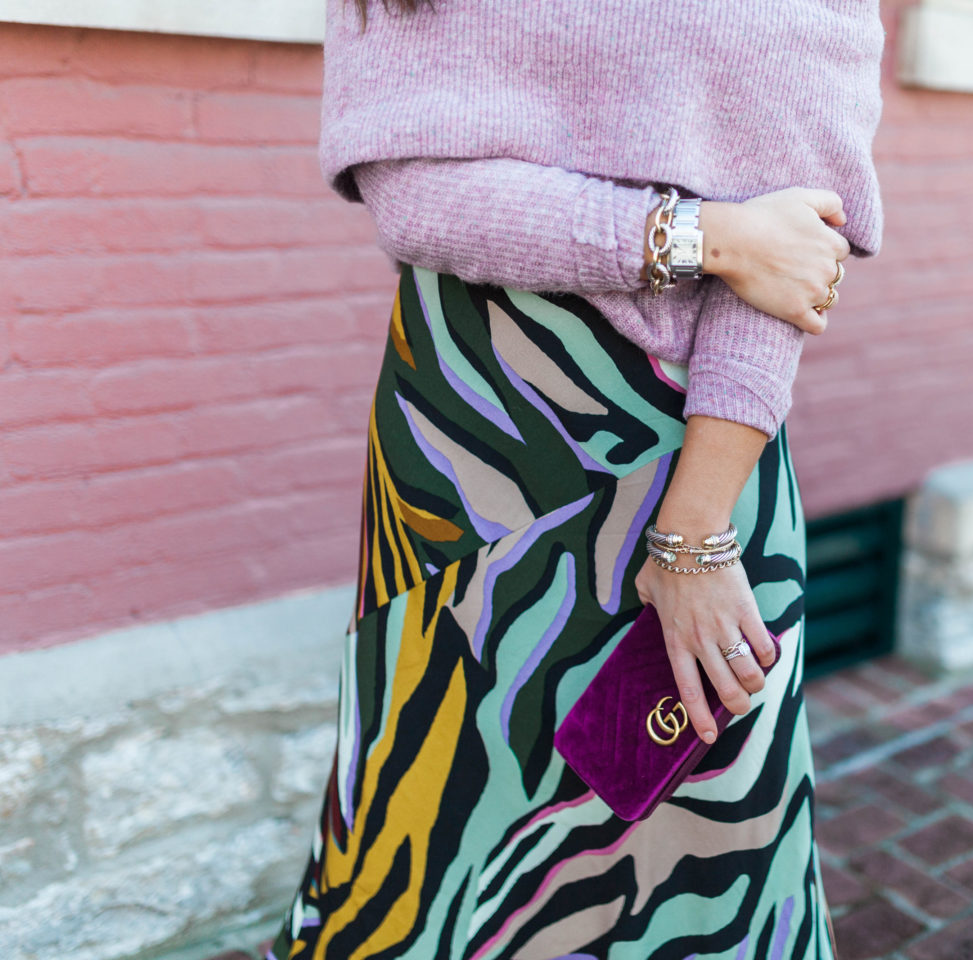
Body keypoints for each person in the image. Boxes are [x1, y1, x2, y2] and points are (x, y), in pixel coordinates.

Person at [265, 1, 883, 957]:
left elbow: (798, 249)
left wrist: (695, 535)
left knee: (698, 853)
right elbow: (414, 198)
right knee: (437, 831)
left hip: (701, 457)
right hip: (467, 459)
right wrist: (706, 237)